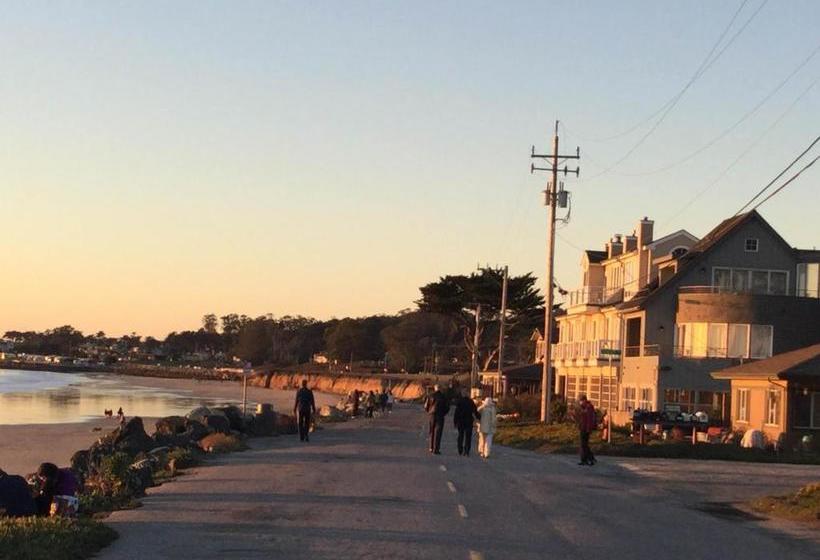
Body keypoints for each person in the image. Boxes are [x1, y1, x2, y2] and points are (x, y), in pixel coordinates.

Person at [424, 385, 449, 454]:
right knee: (438, 432)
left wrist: (429, 411)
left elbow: (426, 406)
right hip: (440, 415)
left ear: (435, 388)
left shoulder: (430, 395)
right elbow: (447, 407)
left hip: (432, 415)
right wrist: (443, 413)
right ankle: (436, 449)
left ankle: (431, 447)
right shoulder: (443, 397)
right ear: (440, 389)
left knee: (431, 431)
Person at [453, 390, 480, 456]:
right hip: (469, 421)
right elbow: (475, 411)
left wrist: (455, 422)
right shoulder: (471, 402)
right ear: (467, 395)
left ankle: (460, 450)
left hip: (461, 421)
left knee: (460, 436)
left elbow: (456, 413)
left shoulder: (459, 402)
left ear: (462, 395)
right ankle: (467, 450)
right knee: (468, 437)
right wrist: (479, 418)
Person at [577, 395, 597, 466]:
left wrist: (588, 429)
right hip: (583, 428)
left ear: (584, 400)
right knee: (584, 445)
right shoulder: (584, 407)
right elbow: (581, 418)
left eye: (581, 401)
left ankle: (588, 459)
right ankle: (588, 459)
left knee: (584, 445)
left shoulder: (589, 408)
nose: (580, 402)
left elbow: (589, 420)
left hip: (586, 429)